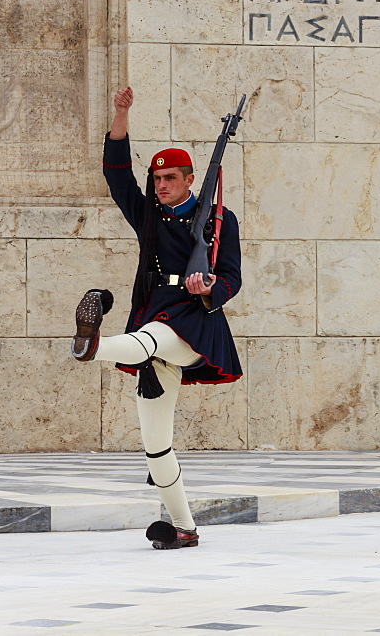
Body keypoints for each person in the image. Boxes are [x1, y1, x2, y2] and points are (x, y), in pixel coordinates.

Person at [71, 86, 243, 549]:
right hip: (153, 317)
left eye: (170, 178)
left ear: (190, 180)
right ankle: (185, 528)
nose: (162, 185)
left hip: (194, 324)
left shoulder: (218, 221)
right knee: (156, 446)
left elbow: (232, 278)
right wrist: (120, 115)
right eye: (158, 178)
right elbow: (116, 174)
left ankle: (92, 345)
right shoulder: (148, 215)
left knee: (150, 338)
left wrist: (210, 289)